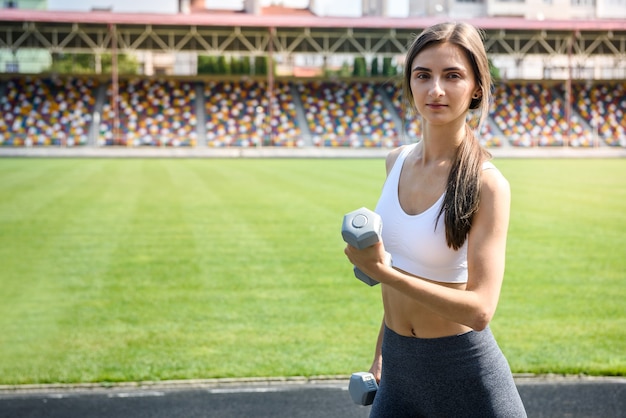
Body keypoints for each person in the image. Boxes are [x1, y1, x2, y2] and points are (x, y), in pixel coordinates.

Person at [344, 22, 527, 417]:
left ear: (476, 87)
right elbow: (405, 271)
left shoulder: (487, 184)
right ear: (410, 82)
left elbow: (479, 310)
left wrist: (383, 272)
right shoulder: (396, 161)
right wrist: (380, 356)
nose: (436, 89)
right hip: (399, 371)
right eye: (423, 75)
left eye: (453, 75)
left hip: (465, 375)